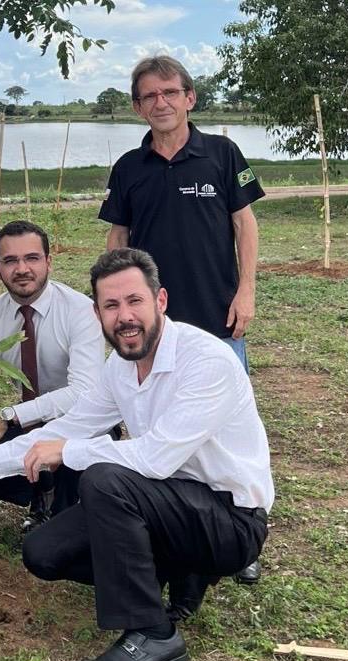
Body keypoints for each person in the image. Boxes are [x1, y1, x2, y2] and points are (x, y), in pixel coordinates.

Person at [0, 249, 273, 661]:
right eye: (111, 306)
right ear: (98, 314)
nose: (125, 317)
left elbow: (154, 457)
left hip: (230, 519)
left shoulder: (206, 360)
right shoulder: (119, 366)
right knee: (44, 553)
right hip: (168, 507)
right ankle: (179, 572)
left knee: (104, 479)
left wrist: (69, 452)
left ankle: (154, 634)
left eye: (134, 301)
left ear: (161, 301)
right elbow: (70, 426)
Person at [100, 54, 267, 584]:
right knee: (150, 423)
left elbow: (246, 225)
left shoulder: (221, 153)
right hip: (147, 323)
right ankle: (160, 521)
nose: (161, 103)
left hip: (215, 313)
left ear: (189, 97)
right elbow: (118, 238)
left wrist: (246, 290)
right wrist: (108, 297)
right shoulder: (129, 167)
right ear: (137, 107)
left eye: (170, 92)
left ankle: (240, 530)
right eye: (149, 96)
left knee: (225, 427)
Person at [0, 220, 104, 529]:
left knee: (81, 464)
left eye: (31, 258)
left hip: (83, 424)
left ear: (48, 261)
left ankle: (63, 505)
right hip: (28, 423)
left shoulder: (81, 311)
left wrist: (7, 416)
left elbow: (82, 391)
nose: (22, 269)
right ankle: (39, 493)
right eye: (10, 261)